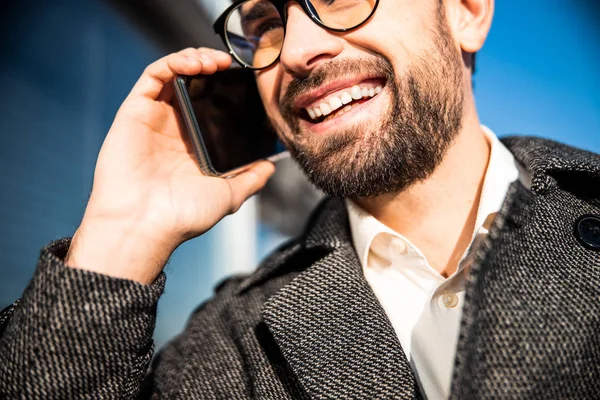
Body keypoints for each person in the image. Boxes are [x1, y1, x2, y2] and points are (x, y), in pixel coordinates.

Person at [1, 0, 600, 398]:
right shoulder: (229, 345)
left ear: (467, 11)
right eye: (265, 24)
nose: (295, 51)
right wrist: (122, 235)